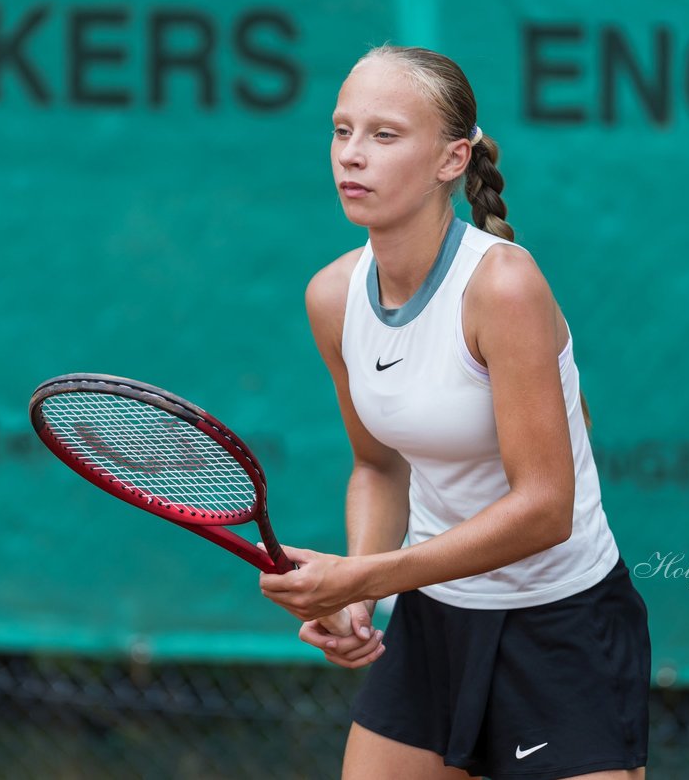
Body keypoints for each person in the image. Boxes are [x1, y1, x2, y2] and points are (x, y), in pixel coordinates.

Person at [258, 45, 650, 780]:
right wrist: (356, 603)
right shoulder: (332, 297)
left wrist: (366, 576)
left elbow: (545, 508)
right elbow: (377, 466)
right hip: (433, 625)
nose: (352, 156)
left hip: (561, 626)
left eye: (384, 134)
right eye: (342, 131)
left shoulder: (503, 288)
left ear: (451, 159)